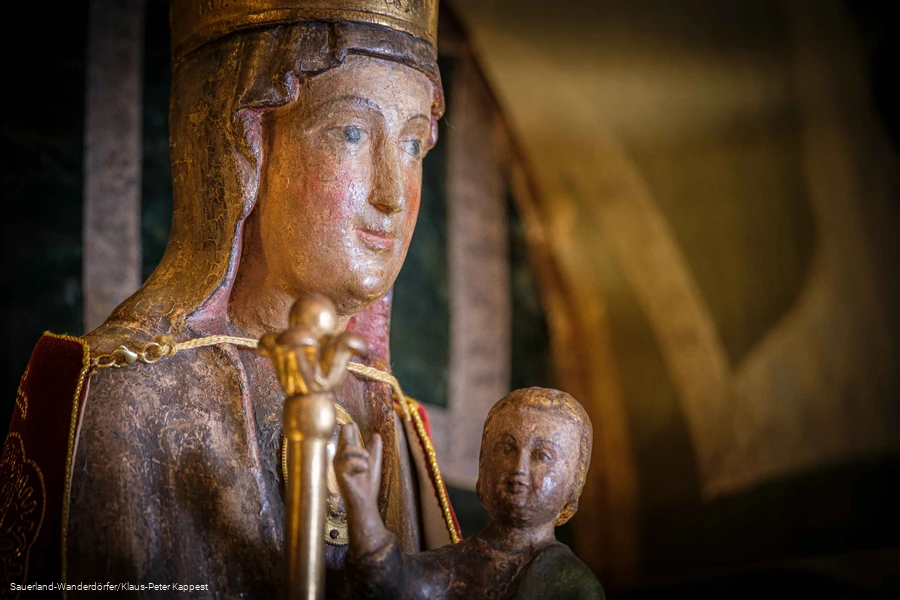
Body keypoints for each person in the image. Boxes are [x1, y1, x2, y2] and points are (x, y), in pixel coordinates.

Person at [1, 1, 459, 597]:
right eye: (349, 132)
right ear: (243, 145)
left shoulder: (393, 419)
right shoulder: (126, 398)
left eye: (412, 143)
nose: (392, 195)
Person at [336, 387, 605, 599]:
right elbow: (386, 581)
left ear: (574, 482)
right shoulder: (457, 563)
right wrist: (362, 505)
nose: (519, 468)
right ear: (483, 465)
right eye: (506, 449)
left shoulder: (572, 583)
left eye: (542, 455)